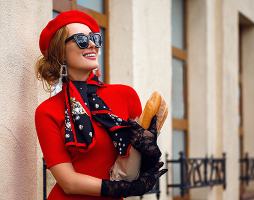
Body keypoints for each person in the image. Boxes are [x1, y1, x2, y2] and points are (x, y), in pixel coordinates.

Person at [35, 10, 167, 200]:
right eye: (81, 39)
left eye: (95, 39)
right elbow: (68, 182)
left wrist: (149, 152)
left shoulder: (125, 95)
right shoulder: (47, 111)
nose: (91, 44)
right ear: (60, 51)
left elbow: (136, 164)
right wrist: (124, 189)